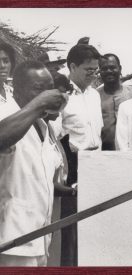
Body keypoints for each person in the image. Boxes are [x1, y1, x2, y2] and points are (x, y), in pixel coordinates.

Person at [0, 60, 68, 266]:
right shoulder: (5, 113)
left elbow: (34, 177)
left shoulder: (42, 124)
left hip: (40, 234)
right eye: (39, 89)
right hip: (12, 237)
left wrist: (67, 191)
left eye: (50, 88)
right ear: (17, 90)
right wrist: (39, 102)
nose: (48, 94)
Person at [54, 43, 103, 266]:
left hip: (95, 165)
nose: (93, 75)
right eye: (88, 70)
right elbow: (54, 133)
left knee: (91, 228)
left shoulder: (94, 95)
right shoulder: (62, 94)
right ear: (72, 66)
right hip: (73, 166)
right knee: (70, 229)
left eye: (96, 70)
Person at [97, 53, 132, 150]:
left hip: (130, 151)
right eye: (104, 68)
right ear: (100, 71)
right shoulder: (95, 96)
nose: (109, 71)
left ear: (120, 68)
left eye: (112, 67)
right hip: (104, 153)